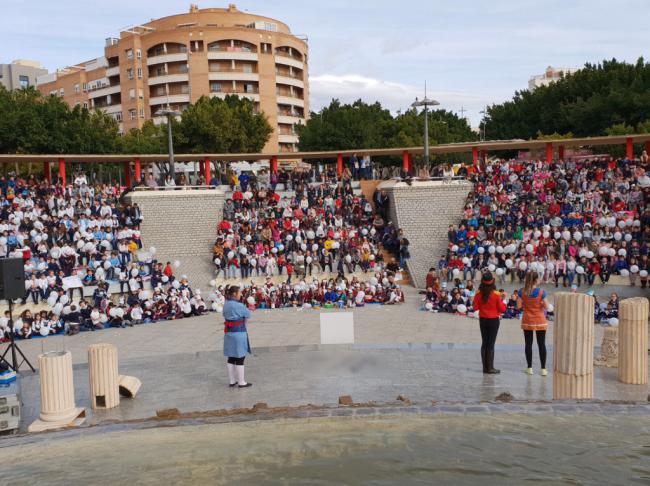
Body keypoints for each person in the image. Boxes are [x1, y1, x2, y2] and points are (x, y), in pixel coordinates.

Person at [517, 272, 550, 376]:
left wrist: (526, 304)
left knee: (528, 344)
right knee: (541, 344)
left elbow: (518, 306)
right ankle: (543, 369)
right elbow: (547, 306)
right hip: (540, 319)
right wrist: (540, 304)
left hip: (527, 319)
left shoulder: (522, 292)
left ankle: (529, 368)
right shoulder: (541, 292)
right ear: (536, 280)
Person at [472, 271, 505, 374]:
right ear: (493, 281)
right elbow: (502, 309)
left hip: (483, 320)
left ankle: (485, 368)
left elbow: (475, 307)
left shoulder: (478, 293)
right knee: (491, 344)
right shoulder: (496, 294)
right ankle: (490, 368)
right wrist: (503, 300)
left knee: (484, 343)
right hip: (493, 320)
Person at [222, 285, 253, 388]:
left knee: (231, 356)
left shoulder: (226, 304)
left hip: (229, 333)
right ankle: (241, 382)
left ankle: (232, 381)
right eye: (240, 293)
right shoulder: (239, 305)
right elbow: (248, 315)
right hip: (239, 332)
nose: (241, 294)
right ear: (234, 294)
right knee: (240, 357)